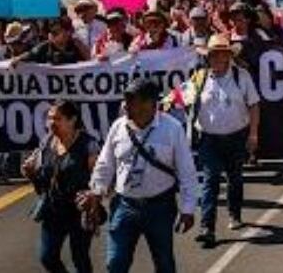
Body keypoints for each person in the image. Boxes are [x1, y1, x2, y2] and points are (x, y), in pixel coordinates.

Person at [80, 78, 199, 273]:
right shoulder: (118, 127)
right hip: (124, 206)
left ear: (150, 104)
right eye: (126, 100)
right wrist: (96, 192)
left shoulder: (172, 128)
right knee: (115, 264)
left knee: (164, 264)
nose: (125, 105)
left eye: (132, 100)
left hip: (160, 207)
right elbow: (105, 163)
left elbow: (187, 171)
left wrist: (188, 209)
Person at [190, 34, 261, 248]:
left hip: (236, 137)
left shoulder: (242, 76)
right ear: (208, 57)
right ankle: (207, 228)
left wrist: (253, 134)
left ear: (229, 56)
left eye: (223, 54)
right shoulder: (199, 78)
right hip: (209, 139)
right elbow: (182, 98)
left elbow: (254, 105)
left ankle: (234, 212)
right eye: (214, 55)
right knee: (210, 182)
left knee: (235, 177)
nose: (218, 58)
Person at [22, 100, 99, 273]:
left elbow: (99, 179)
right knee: (47, 257)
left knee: (80, 258)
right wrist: (30, 172)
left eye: (57, 118)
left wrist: (93, 197)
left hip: (79, 211)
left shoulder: (89, 144)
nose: (51, 123)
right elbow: (42, 179)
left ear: (72, 120)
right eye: (49, 118)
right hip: (53, 210)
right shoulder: (46, 142)